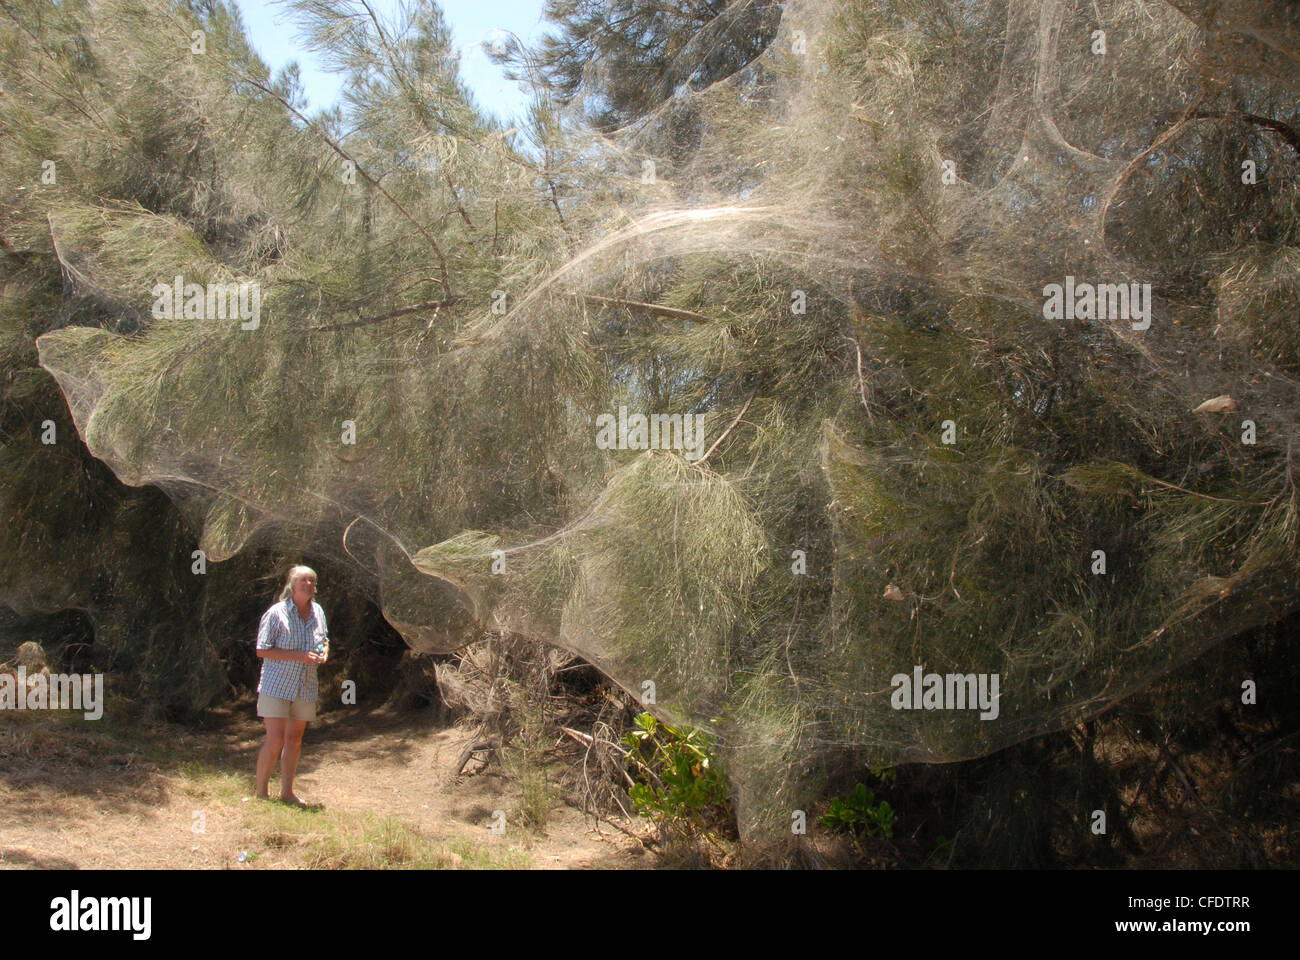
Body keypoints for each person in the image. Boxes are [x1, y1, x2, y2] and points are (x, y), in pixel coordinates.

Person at [254, 564, 328, 807]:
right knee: (275, 739)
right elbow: (261, 649)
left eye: (312, 581)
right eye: (303, 581)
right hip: (277, 684)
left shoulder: (317, 611)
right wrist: (300, 656)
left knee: (294, 740)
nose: (308, 585)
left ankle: (287, 792)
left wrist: (323, 652)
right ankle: (261, 794)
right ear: (292, 585)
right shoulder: (277, 613)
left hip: (305, 685)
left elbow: (324, 639)